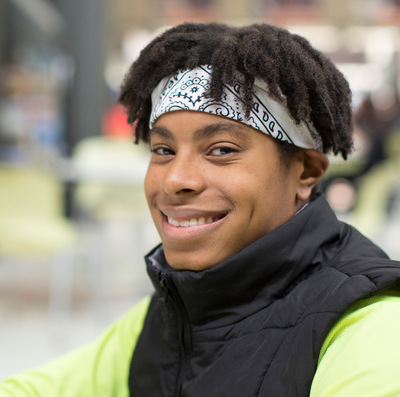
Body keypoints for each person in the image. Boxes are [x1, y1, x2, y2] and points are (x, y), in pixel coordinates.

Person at [2, 22, 400, 397]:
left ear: (306, 171)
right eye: (163, 150)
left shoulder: (372, 330)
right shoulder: (170, 313)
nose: (175, 179)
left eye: (222, 150)